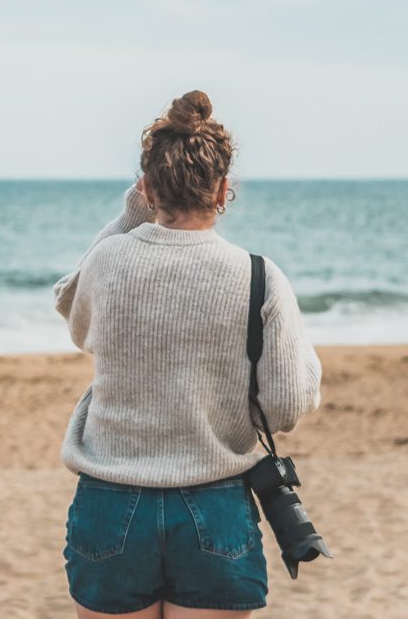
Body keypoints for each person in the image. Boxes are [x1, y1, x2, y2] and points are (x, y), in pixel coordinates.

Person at [52, 90, 323, 618]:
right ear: (224, 190)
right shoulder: (258, 276)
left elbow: (72, 310)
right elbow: (288, 405)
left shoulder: (109, 261)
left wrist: (133, 213)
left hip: (110, 500)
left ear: (147, 187)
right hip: (214, 502)